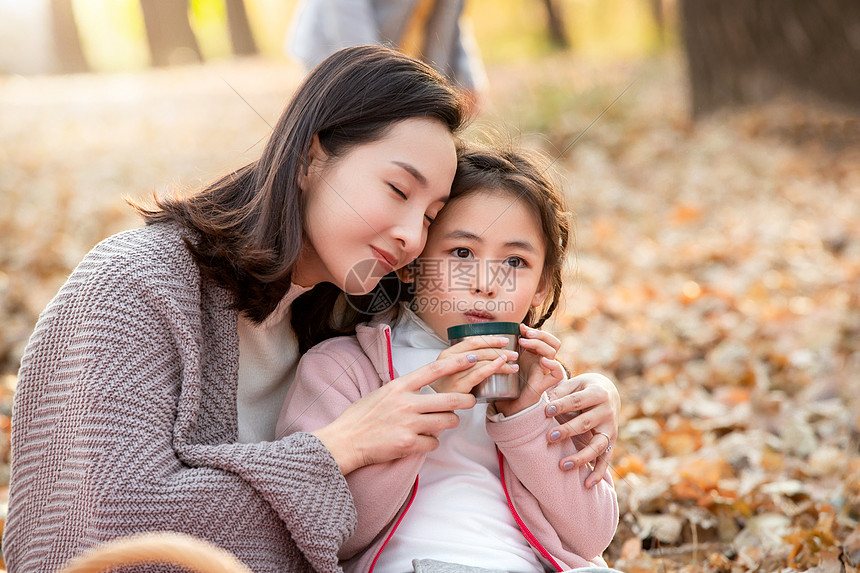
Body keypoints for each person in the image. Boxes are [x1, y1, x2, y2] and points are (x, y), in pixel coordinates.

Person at [4, 46, 618, 572]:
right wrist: (336, 449)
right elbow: (108, 521)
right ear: (311, 156)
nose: (409, 236)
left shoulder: (338, 311)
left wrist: (591, 398)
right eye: (397, 190)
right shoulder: (135, 282)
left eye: (429, 218)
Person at [277, 145, 620, 572]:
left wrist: (526, 418)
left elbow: (591, 535)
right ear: (410, 265)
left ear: (542, 287)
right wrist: (431, 409)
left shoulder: (543, 384)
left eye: (515, 261)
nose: (486, 283)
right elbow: (331, 534)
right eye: (461, 254)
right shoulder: (342, 369)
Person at [286, 0, 487, 111]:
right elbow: (344, 16)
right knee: (340, 119)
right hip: (336, 46)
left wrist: (466, 74)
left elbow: (450, 19)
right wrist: (372, 71)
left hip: (401, 55)